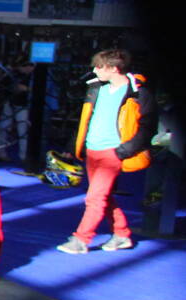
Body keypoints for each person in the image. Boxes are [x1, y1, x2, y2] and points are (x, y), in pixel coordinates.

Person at [56, 48, 156, 254]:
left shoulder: (139, 93)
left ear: (114, 68)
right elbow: (86, 120)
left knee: (94, 198)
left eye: (99, 66)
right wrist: (73, 147)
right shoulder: (96, 88)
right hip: (92, 150)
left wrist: (124, 150)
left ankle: (81, 239)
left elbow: (148, 127)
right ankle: (121, 234)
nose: (95, 70)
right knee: (104, 196)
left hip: (113, 152)